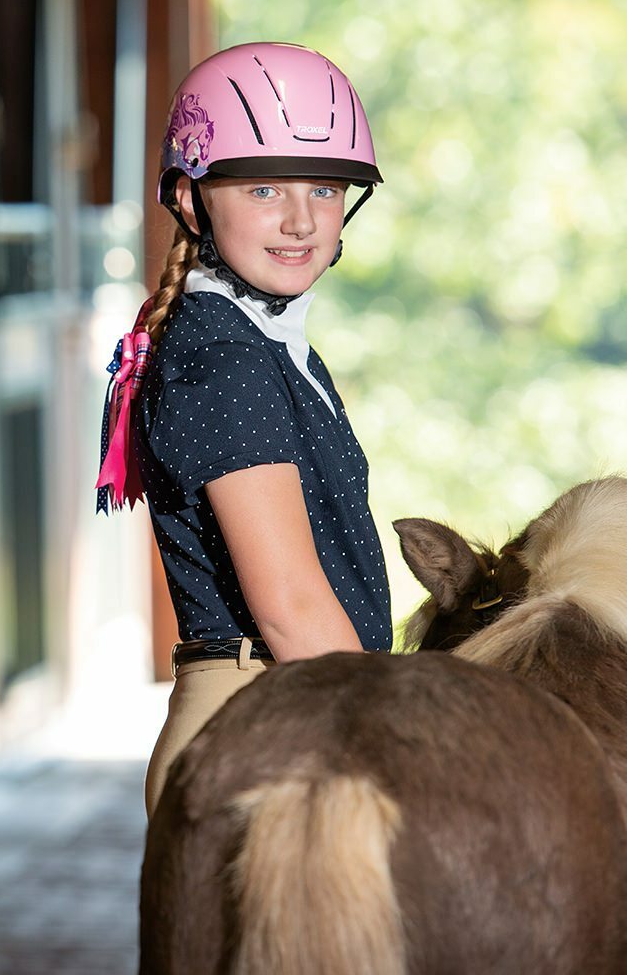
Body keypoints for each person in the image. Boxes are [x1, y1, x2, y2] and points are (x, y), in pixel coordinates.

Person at [95, 42, 393, 817]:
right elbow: (289, 608)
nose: (301, 220)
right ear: (192, 201)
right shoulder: (226, 361)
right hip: (277, 712)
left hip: (290, 703)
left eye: (325, 189)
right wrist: (397, 741)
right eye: (264, 189)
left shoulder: (263, 344)